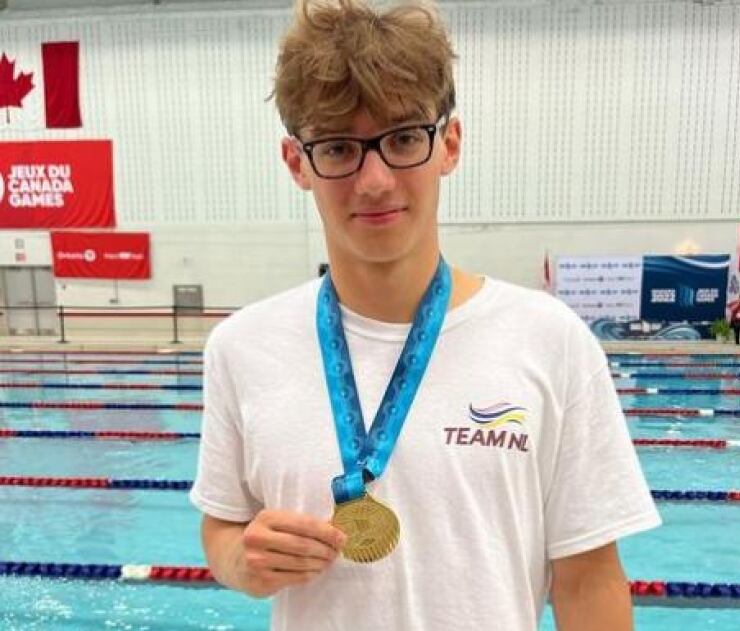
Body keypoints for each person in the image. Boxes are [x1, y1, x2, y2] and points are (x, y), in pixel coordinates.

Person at [190, 1, 661, 630]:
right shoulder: (241, 348)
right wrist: (241, 563)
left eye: (405, 137)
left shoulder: (552, 341)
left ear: (450, 144)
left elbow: (589, 581)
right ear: (297, 162)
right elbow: (222, 524)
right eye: (337, 148)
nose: (376, 180)